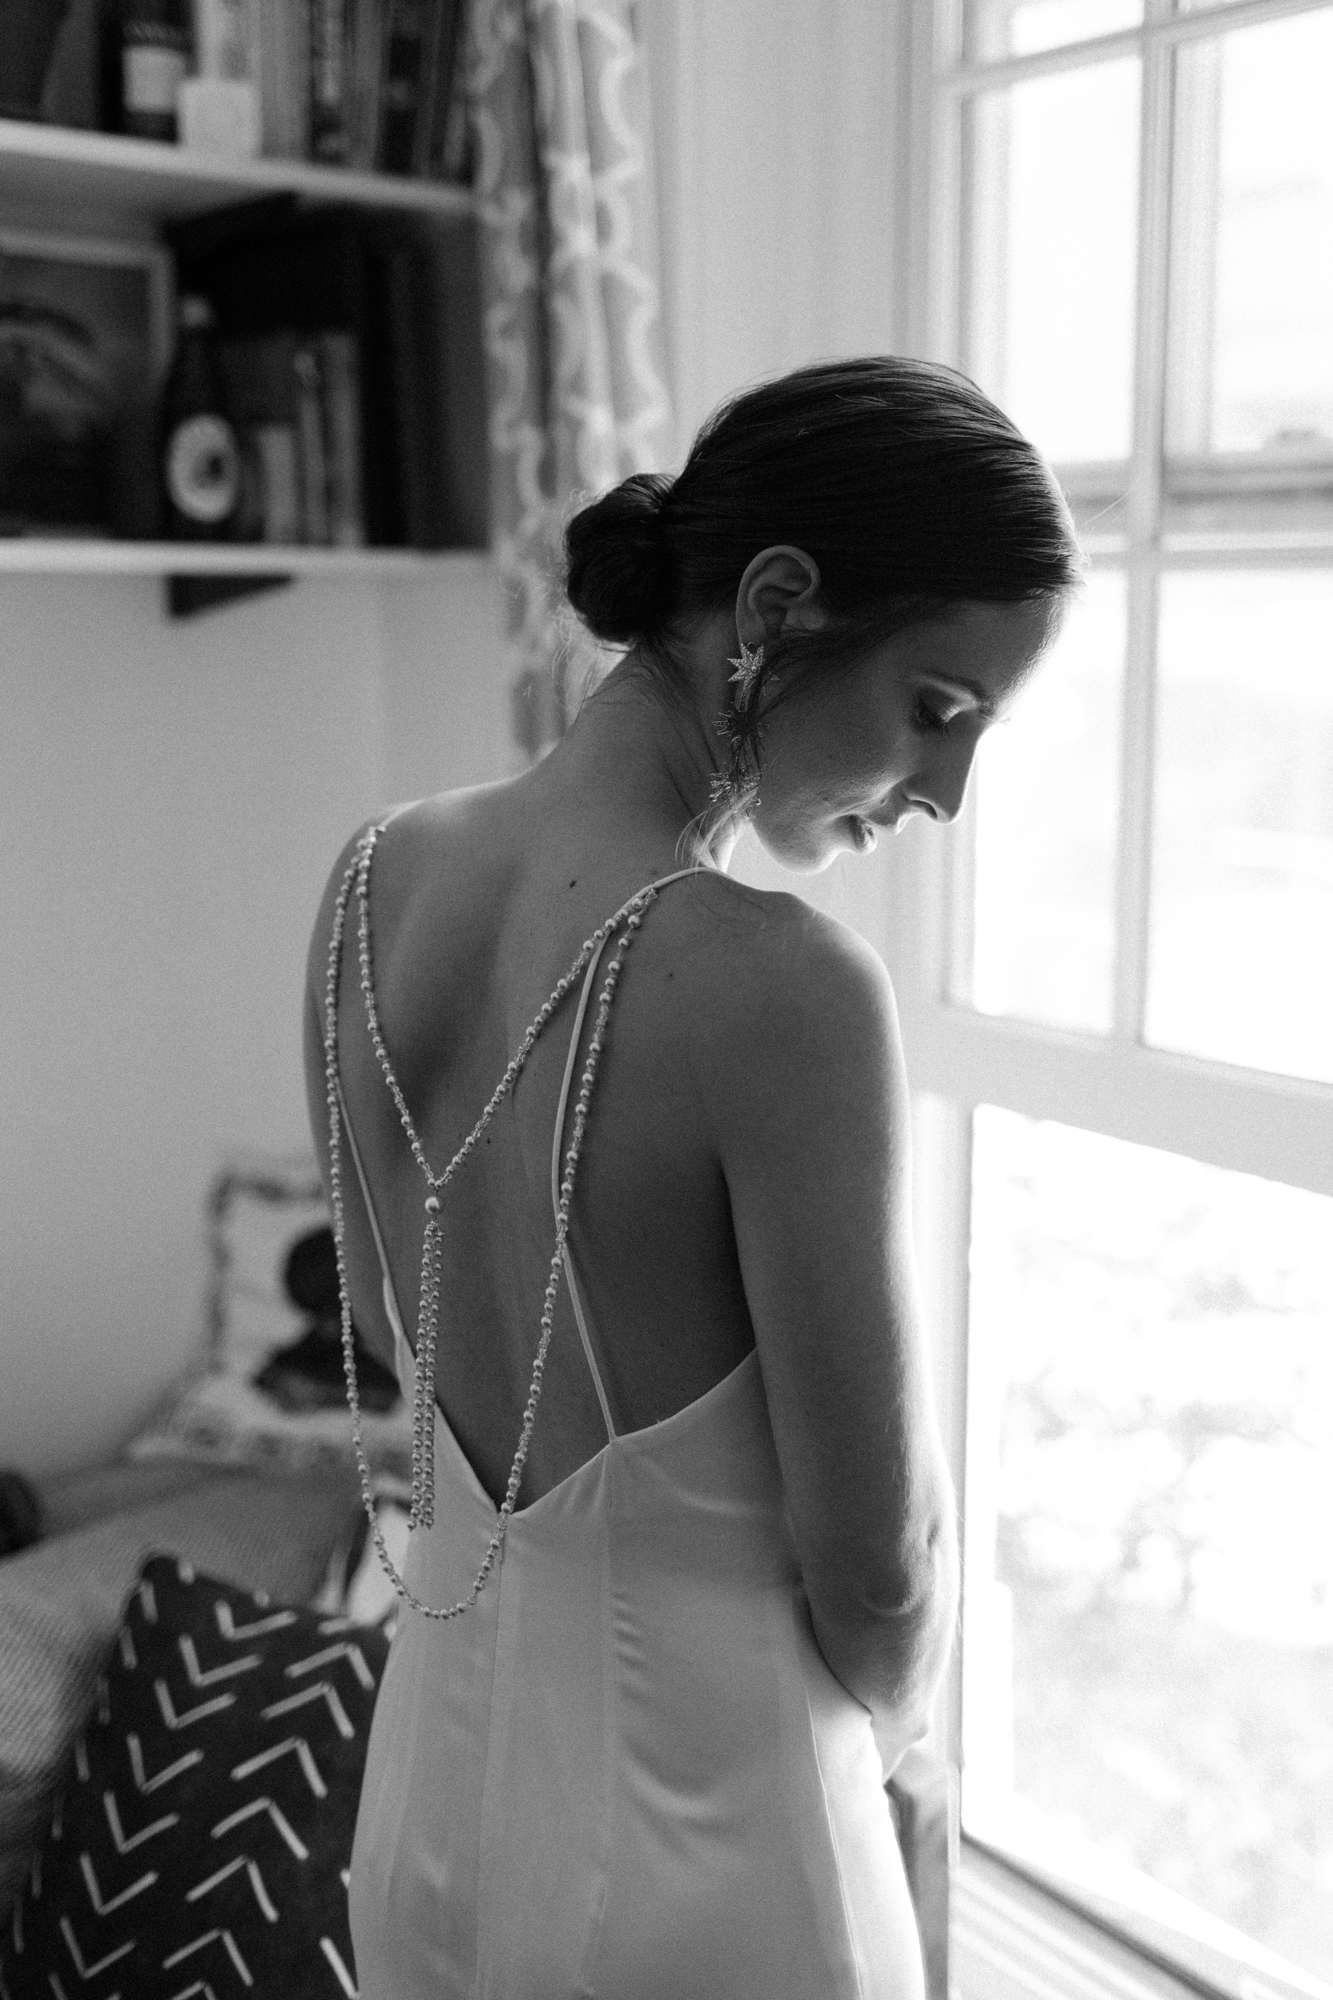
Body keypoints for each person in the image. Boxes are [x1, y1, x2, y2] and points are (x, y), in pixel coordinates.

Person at [303, 356, 1083, 1998]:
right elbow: (876, 1567)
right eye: (937, 710)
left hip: (430, 1821)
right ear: (777, 604)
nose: (944, 794)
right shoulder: (784, 992)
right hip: (711, 1858)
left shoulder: (370, 883)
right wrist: (886, 1745)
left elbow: (384, 1319)